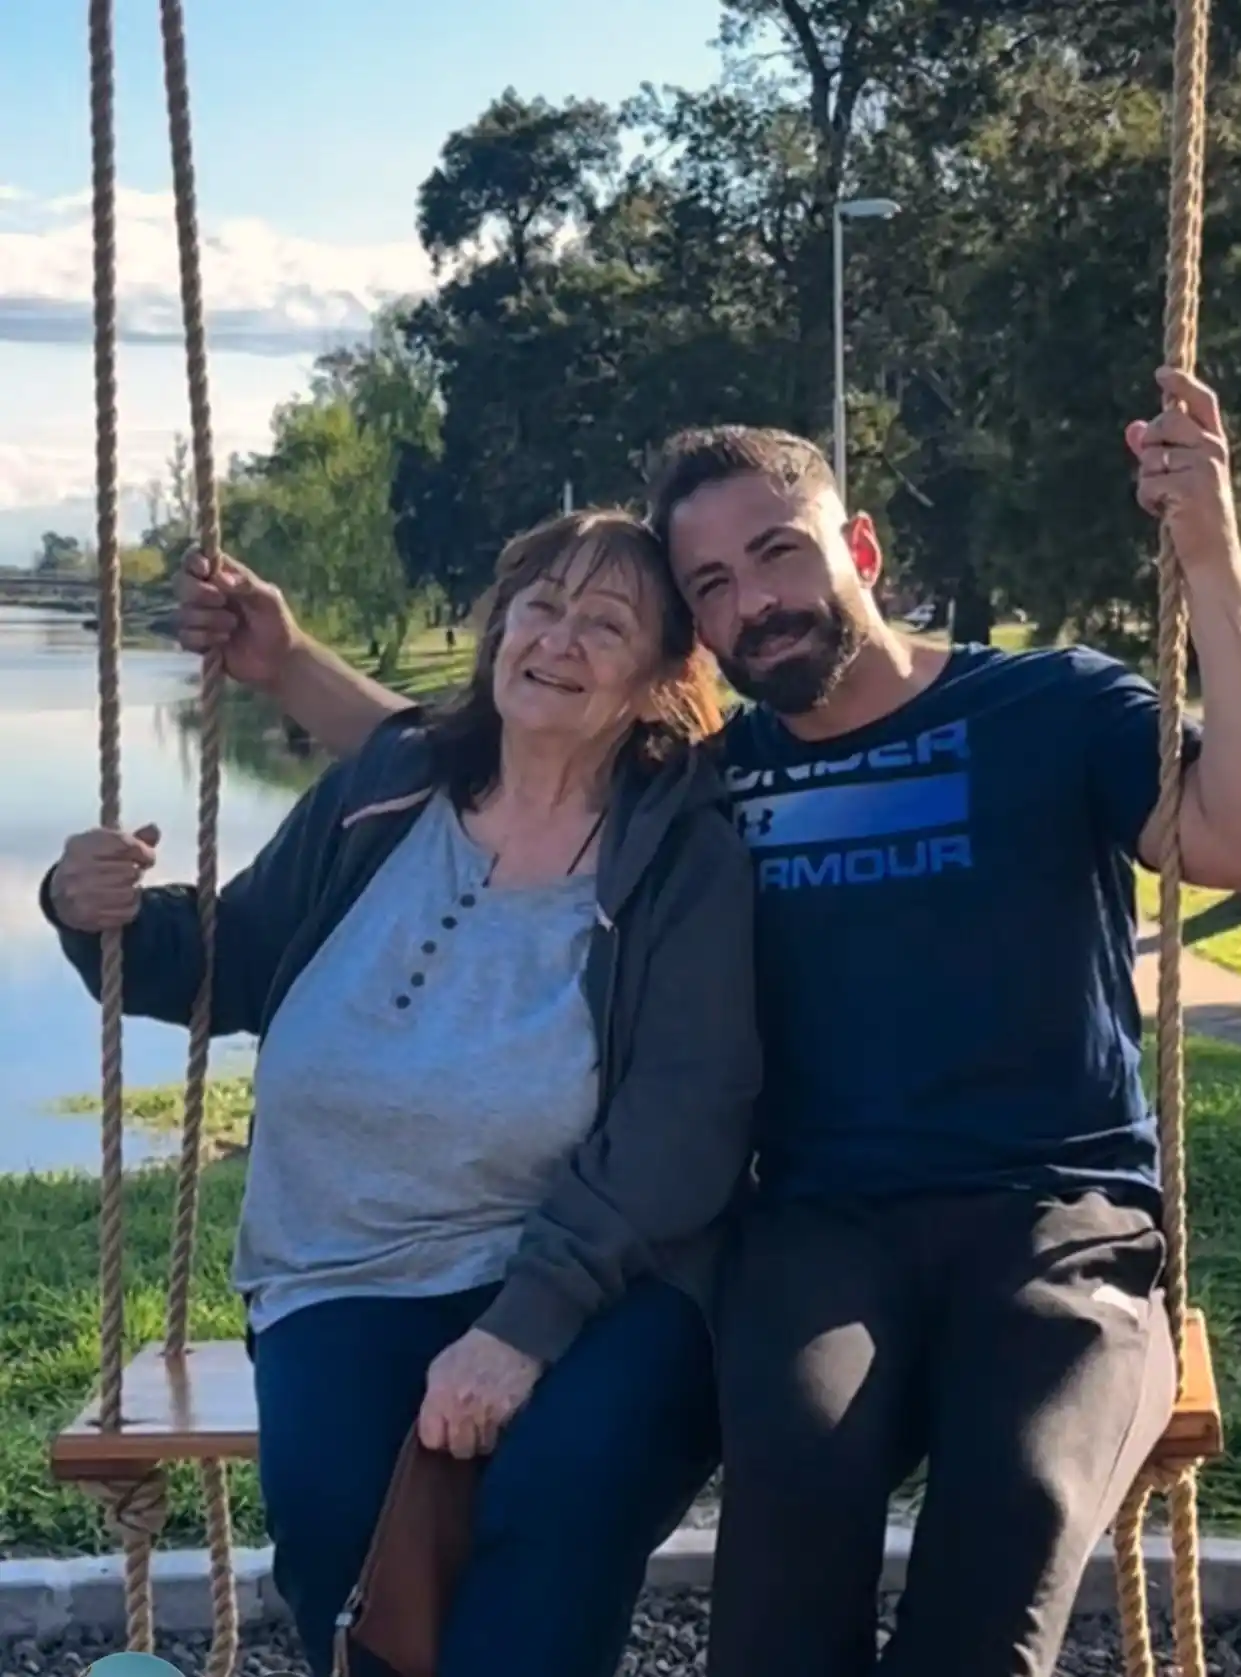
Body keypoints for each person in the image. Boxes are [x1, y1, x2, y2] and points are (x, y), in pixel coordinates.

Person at [173, 369, 1241, 1677]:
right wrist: (282, 663)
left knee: (1009, 1518)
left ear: (858, 547)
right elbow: (484, 744)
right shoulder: (717, 782)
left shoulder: (1046, 706)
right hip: (823, 1223)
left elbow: (1222, 833)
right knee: (788, 1495)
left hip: (1054, 1220)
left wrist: (1209, 557)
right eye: (715, 586)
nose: (756, 602)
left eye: (776, 555)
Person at [42, 509, 762, 1677]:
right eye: (540, 606)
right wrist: (94, 912)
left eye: (605, 623)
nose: (559, 640)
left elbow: (684, 1121)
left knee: (557, 1503)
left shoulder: (681, 852)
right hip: (340, 1265)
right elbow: (229, 960)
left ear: (654, 678)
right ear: (497, 630)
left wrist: (516, 1334)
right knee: (343, 1544)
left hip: (599, 1279)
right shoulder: (391, 782)